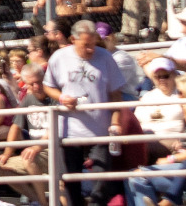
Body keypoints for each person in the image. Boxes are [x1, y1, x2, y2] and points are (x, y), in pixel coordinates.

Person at [41, 20, 129, 206]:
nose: (91, 49)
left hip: (100, 129)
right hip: (70, 130)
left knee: (101, 178)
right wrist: (62, 97)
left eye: (93, 44)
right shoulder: (59, 57)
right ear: (73, 39)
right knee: (71, 179)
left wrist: (116, 122)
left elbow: (116, 93)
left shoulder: (105, 57)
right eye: (86, 45)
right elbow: (48, 86)